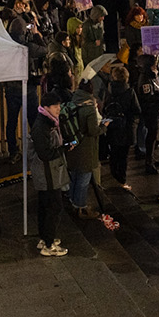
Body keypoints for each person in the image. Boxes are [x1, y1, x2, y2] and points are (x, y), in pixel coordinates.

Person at [31, 91, 72, 256]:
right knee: (54, 206)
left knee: (44, 205)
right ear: (46, 107)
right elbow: (45, 153)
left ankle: (45, 238)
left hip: (49, 172)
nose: (59, 109)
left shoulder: (49, 121)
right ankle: (49, 245)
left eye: (59, 106)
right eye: (55, 106)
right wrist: (63, 149)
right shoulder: (42, 126)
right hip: (47, 173)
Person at [66, 78, 106, 218]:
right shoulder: (88, 107)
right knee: (84, 178)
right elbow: (93, 130)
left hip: (74, 146)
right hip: (86, 148)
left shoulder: (72, 101)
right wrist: (103, 127)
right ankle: (81, 207)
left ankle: (72, 201)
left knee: (74, 176)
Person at [102, 63, 140, 189]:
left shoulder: (108, 91)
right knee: (123, 156)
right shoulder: (129, 92)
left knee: (114, 153)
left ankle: (114, 175)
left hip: (112, 127)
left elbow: (104, 109)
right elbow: (136, 110)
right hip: (126, 128)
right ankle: (122, 180)